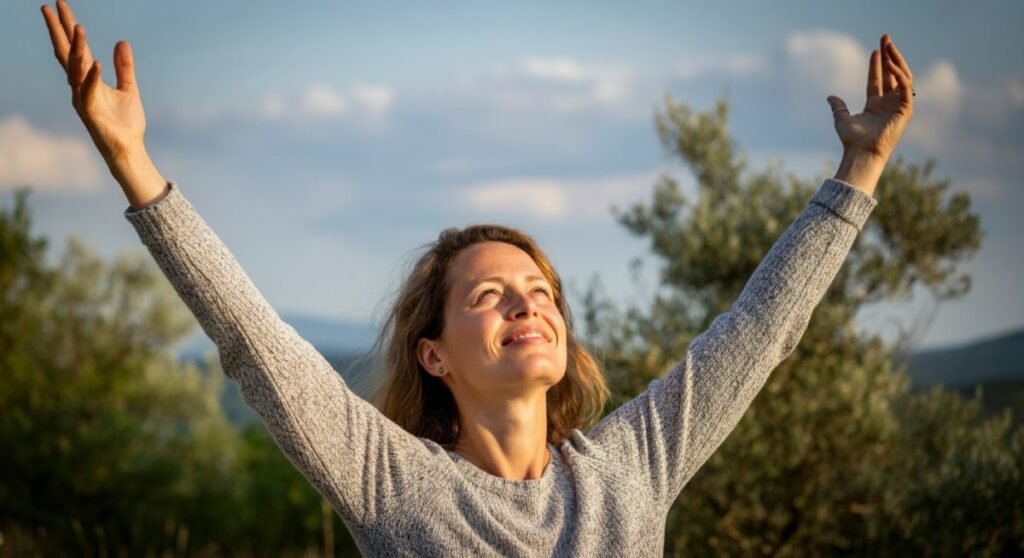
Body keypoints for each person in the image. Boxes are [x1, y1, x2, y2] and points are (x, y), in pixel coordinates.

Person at [41, 1, 914, 555]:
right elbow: (253, 343)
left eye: (540, 293)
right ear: (433, 355)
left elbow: (757, 333)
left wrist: (861, 170)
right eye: (490, 295)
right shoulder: (392, 482)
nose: (526, 305)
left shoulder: (629, 470)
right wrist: (135, 166)